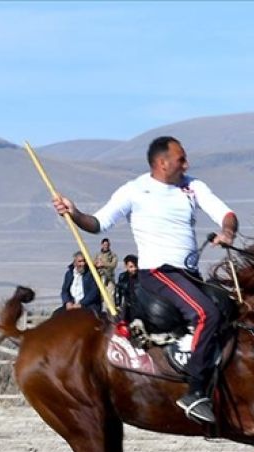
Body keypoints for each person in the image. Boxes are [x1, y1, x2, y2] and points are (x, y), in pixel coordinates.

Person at [52, 135, 238, 425]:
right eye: (181, 159)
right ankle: (195, 392)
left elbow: (226, 214)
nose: (186, 163)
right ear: (162, 163)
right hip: (158, 273)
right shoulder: (135, 191)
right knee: (206, 314)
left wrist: (227, 232)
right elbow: (98, 223)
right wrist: (74, 213)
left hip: (190, 275)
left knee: (232, 311)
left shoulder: (193, 186)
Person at [59, 251, 102, 316]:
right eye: (80, 261)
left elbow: (94, 292)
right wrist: (67, 302)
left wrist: (81, 304)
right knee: (55, 316)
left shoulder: (92, 274)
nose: (83, 264)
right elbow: (64, 291)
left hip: (88, 306)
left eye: (84, 261)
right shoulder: (69, 274)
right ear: (74, 263)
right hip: (71, 305)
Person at [114, 253, 139, 322]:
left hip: (139, 306)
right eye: (131, 267)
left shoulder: (140, 276)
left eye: (135, 266)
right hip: (128, 304)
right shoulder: (123, 276)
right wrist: (117, 304)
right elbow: (118, 290)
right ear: (126, 266)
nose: (134, 269)